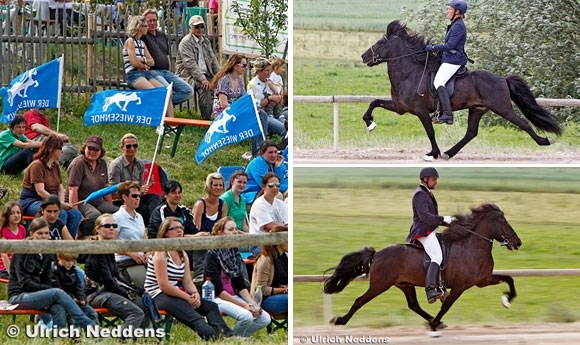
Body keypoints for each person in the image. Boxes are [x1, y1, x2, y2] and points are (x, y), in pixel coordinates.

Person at [144, 217, 234, 340]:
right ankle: (215, 338)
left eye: (181, 228)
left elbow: (187, 281)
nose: (179, 230)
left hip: (174, 292)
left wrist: (195, 294)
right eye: (174, 228)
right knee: (196, 318)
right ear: (165, 232)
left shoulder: (182, 253)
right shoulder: (160, 253)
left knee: (210, 306)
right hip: (157, 294)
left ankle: (227, 335)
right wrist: (187, 298)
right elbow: (164, 286)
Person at [8, 218, 96, 330]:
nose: (44, 236)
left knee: (58, 307)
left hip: (41, 294)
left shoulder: (48, 251)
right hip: (19, 296)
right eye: (39, 233)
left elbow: (49, 279)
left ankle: (60, 338)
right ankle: (89, 325)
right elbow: (24, 283)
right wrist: (49, 291)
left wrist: (49, 291)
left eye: (46, 233)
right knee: (57, 293)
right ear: (31, 233)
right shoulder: (22, 251)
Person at [204, 217, 270, 337]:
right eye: (230, 229)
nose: (235, 232)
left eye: (235, 229)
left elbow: (240, 285)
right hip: (217, 298)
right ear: (220, 233)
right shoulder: (212, 255)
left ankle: (237, 338)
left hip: (233, 295)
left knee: (264, 318)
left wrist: (252, 304)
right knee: (246, 316)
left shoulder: (234, 253)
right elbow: (218, 290)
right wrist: (244, 306)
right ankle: (234, 340)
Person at [85, 213, 150, 332]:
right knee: (136, 313)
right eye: (107, 225)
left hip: (109, 291)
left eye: (114, 225)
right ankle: (122, 340)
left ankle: (139, 339)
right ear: (97, 229)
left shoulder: (109, 249)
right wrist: (127, 295)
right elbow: (108, 281)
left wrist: (138, 290)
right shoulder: (96, 251)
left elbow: (116, 277)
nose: (111, 228)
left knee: (144, 305)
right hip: (96, 294)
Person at [406, 167, 455, 303]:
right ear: (425, 179)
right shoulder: (420, 194)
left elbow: (431, 217)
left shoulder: (426, 192)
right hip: (423, 232)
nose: (436, 182)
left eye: (436, 179)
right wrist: (443, 219)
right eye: (434, 179)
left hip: (431, 229)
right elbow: (425, 216)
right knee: (437, 256)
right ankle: (431, 290)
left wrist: (448, 222)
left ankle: (441, 286)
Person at [20, 135, 82, 238]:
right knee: (61, 214)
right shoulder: (37, 165)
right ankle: (54, 241)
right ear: (51, 149)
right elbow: (40, 191)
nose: (62, 151)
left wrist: (61, 203)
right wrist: (58, 204)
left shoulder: (55, 165)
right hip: (32, 201)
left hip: (53, 201)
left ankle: (67, 246)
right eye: (60, 148)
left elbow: (60, 188)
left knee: (76, 215)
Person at [211, 54, 268, 156]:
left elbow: (244, 101)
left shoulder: (240, 81)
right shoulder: (224, 80)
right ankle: (258, 152)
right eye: (244, 65)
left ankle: (260, 150)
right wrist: (242, 111)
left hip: (236, 111)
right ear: (235, 66)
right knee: (257, 117)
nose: (246, 68)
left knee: (261, 114)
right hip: (224, 113)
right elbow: (223, 104)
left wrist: (253, 107)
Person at [425, 0, 468, 125]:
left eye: (450, 9)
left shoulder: (458, 25)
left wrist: (433, 47)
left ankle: (447, 114)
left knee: (438, 82)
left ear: (457, 11)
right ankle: (438, 110)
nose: (447, 11)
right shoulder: (455, 24)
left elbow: (450, 45)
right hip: (449, 58)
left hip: (454, 60)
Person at [123, 15, 174, 118]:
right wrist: (143, 64)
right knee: (155, 93)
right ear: (139, 27)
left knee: (166, 92)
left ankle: (173, 124)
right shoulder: (130, 42)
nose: (147, 28)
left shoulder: (141, 43)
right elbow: (134, 63)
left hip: (145, 73)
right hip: (134, 75)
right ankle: (157, 121)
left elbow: (152, 62)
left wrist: (143, 60)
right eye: (145, 26)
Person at [141, 9, 194, 107]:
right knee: (167, 91)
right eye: (149, 21)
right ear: (145, 22)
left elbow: (167, 54)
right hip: (153, 72)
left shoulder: (162, 35)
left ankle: (160, 105)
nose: (152, 23)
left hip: (166, 72)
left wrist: (169, 69)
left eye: (154, 20)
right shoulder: (143, 36)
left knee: (188, 91)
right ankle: (165, 107)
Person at [108, 133, 161, 227]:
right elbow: (112, 193)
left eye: (135, 145)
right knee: (144, 208)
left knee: (155, 197)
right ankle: (154, 224)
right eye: (128, 146)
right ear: (122, 148)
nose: (132, 148)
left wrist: (143, 189)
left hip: (136, 197)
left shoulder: (140, 164)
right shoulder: (116, 166)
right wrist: (138, 191)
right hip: (122, 199)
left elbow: (138, 187)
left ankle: (153, 223)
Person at [175, 15, 221, 120]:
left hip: (205, 74)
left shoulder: (205, 41)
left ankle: (221, 117)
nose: (200, 29)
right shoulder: (186, 42)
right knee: (205, 86)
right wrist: (202, 79)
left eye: (202, 26)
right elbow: (190, 64)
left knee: (223, 86)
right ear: (190, 27)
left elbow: (213, 59)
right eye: (197, 27)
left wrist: (220, 76)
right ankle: (206, 120)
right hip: (187, 75)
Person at [66, 135, 119, 221]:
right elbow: (72, 189)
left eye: (96, 149)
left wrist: (110, 206)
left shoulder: (102, 163)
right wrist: (76, 213)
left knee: (117, 212)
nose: (93, 152)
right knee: (95, 215)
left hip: (98, 201)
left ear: (101, 151)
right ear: (85, 148)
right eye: (90, 148)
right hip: (81, 201)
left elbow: (106, 188)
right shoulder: (78, 164)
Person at [191, 173, 227, 282]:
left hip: (217, 240)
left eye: (220, 185)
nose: (218, 188)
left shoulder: (223, 204)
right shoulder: (200, 204)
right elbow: (196, 228)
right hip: (202, 241)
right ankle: (199, 275)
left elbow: (223, 226)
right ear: (209, 186)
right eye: (215, 185)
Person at [113, 181, 148, 287]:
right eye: (134, 196)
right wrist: (131, 254)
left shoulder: (139, 217)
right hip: (125, 261)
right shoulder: (116, 218)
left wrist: (149, 253)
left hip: (143, 260)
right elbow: (111, 244)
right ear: (124, 197)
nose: (138, 198)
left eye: (139, 195)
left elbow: (145, 239)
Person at [248, 57, 286, 150]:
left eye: (270, 70)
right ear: (258, 71)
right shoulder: (254, 84)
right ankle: (267, 151)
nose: (269, 73)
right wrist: (270, 98)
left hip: (274, 110)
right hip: (261, 114)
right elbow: (257, 106)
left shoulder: (270, 81)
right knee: (283, 129)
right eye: (266, 71)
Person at [52, 252, 99, 325]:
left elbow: (78, 286)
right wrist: (71, 297)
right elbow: (57, 288)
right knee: (73, 318)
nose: (70, 263)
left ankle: (95, 332)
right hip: (62, 300)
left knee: (92, 313)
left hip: (76, 300)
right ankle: (74, 334)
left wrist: (82, 297)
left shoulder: (73, 270)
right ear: (59, 258)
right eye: (67, 261)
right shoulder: (54, 271)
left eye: (72, 261)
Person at [251, 225, 288, 315]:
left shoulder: (284, 258)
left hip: (279, 295)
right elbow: (261, 289)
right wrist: (284, 289)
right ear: (280, 241)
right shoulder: (266, 260)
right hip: (264, 300)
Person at [243, 140, 288, 204]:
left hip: (266, 192)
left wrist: (277, 167)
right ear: (261, 153)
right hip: (251, 195)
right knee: (276, 195)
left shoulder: (275, 164)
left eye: (275, 152)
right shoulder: (258, 163)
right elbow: (269, 187)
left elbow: (281, 183)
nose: (274, 155)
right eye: (270, 152)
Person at [0, 201, 26, 279]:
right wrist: (11, 274)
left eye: (18, 213)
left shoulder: (22, 229)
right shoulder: (3, 231)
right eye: (12, 213)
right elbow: (4, 256)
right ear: (7, 215)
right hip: (4, 266)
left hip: (18, 264)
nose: (16, 216)